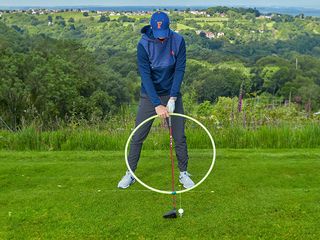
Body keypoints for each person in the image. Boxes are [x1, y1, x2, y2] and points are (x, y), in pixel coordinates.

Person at [118, 11, 194, 189]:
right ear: (152, 29)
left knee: (179, 136)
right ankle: (130, 173)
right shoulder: (143, 45)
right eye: (158, 36)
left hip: (171, 92)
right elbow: (145, 76)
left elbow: (179, 70)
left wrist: (173, 97)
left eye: (164, 35)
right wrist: (157, 104)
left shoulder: (178, 41)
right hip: (150, 95)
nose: (161, 39)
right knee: (138, 135)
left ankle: (183, 173)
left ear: (169, 29)